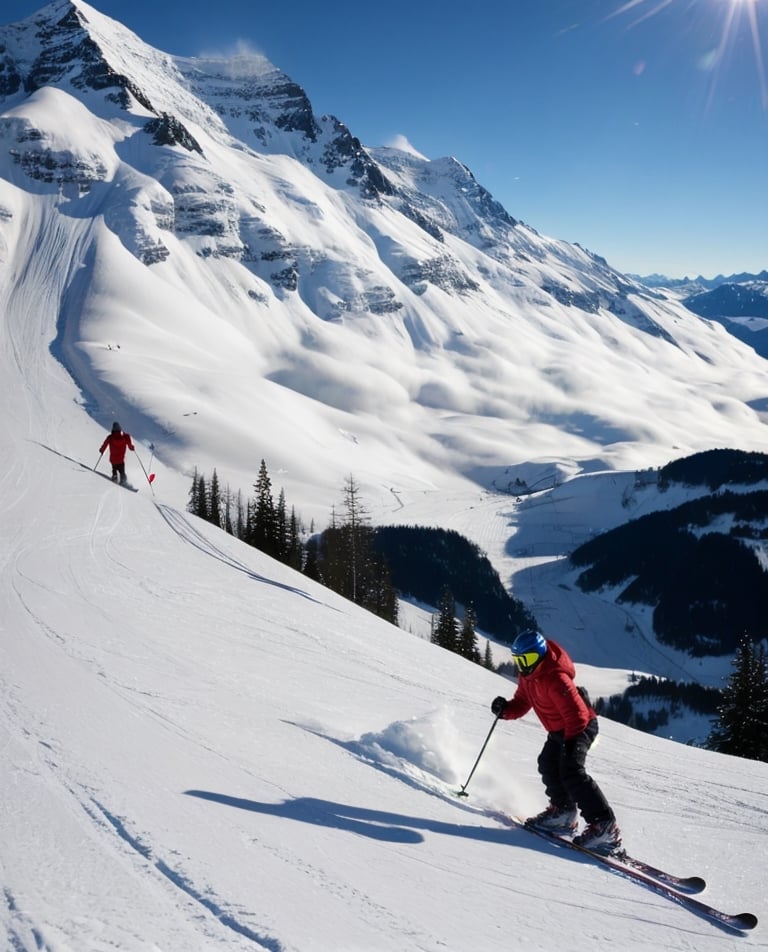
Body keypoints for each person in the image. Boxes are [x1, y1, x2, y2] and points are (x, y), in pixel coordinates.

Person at [491, 628, 621, 854]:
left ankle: (605, 825)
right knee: (548, 764)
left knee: (571, 770)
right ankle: (564, 812)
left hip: (580, 727)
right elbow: (522, 701)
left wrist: (571, 742)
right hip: (561, 730)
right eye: (519, 660)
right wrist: (506, 710)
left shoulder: (556, 678)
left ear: (540, 655)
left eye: (528, 659)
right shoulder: (528, 677)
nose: (523, 665)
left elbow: (578, 714)